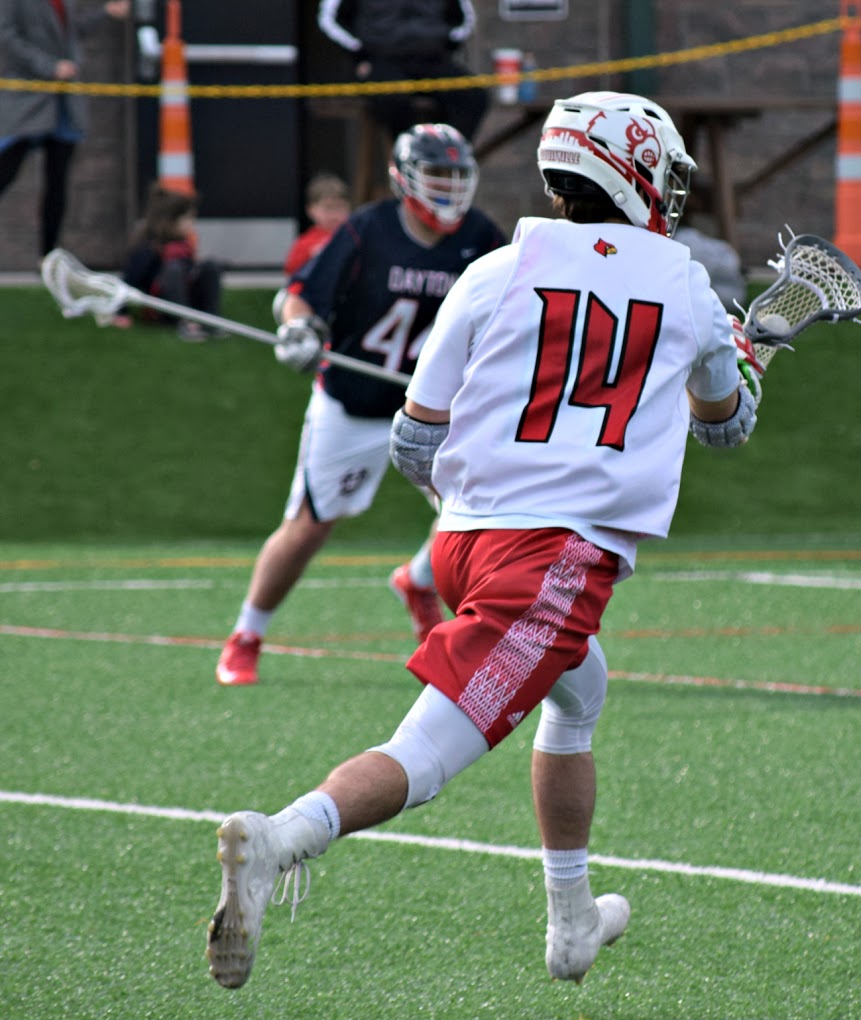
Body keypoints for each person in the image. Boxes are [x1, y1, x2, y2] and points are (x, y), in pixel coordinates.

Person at [204, 91, 762, 992]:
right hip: (556, 559)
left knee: (581, 691)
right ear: (631, 174)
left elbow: (413, 442)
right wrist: (741, 366)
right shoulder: (686, 282)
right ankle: (283, 837)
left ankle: (572, 921)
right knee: (423, 759)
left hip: (465, 541)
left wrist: (479, 505)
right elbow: (726, 429)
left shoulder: (495, 267)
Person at [215, 123, 506, 687]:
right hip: (355, 404)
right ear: (405, 178)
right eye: (436, 175)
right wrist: (299, 330)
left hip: (433, 409)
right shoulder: (366, 230)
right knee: (309, 526)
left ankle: (420, 583)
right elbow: (298, 298)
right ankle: (246, 633)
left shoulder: (480, 238)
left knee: (475, 511)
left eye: (454, 176)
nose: (447, 189)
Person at [0, 0, 128, 259]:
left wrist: (105, 14)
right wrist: (49, 67)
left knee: (58, 180)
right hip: (28, 97)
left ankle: (49, 257)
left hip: (64, 102)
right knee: (7, 170)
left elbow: (69, 32)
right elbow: (7, 37)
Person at [318, 0, 489, 143]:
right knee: (393, 97)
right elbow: (329, 20)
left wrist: (444, 45)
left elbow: (464, 18)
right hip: (381, 59)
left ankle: (447, 156)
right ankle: (412, 155)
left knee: (474, 96)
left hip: (431, 59)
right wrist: (360, 56)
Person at [119, 183, 223, 342]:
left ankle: (211, 320)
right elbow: (129, 281)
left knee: (210, 266)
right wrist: (120, 312)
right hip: (162, 308)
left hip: (187, 299)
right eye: (188, 219)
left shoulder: (184, 244)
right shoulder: (149, 249)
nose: (192, 225)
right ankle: (185, 322)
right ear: (170, 221)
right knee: (174, 269)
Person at [283, 172, 353, 277]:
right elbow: (290, 271)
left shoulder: (354, 237)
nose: (334, 214)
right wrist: (312, 257)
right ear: (311, 210)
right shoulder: (306, 243)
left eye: (340, 207)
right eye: (328, 208)